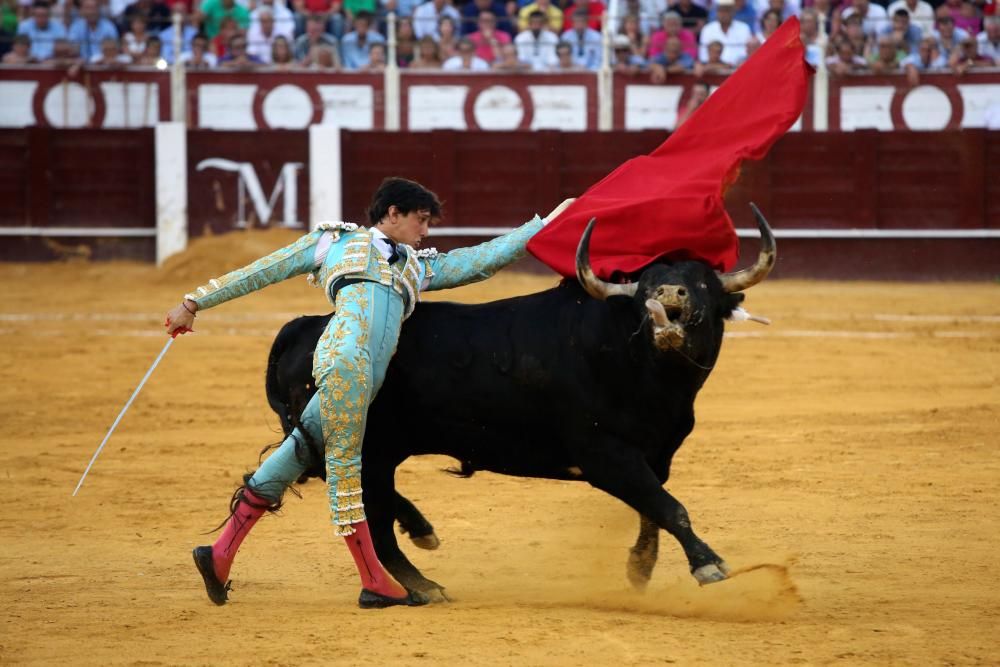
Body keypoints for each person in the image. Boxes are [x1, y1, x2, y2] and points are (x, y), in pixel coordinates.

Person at [169, 178, 573, 608]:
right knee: (346, 473)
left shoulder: (416, 266)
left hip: (365, 373)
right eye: (421, 220)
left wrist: (543, 225)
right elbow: (262, 270)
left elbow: (480, 262)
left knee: (299, 454)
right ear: (392, 213)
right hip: (345, 362)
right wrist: (194, 303)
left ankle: (219, 554)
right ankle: (374, 582)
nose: (426, 231)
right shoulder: (334, 243)